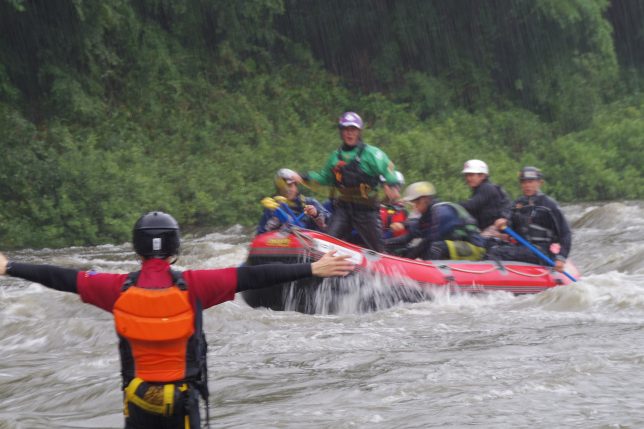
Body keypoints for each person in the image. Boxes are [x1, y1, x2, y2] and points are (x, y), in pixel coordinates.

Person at [0, 211, 354, 429]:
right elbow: (255, 277)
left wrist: (10, 266)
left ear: (137, 249)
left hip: (138, 402)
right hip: (182, 405)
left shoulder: (114, 288)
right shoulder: (197, 285)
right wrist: (313, 267)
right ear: (175, 249)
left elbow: (59, 277)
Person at [291, 112, 399, 252]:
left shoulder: (371, 153)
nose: (349, 133)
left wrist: (391, 184)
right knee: (328, 242)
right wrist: (302, 176)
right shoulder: (335, 157)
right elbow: (324, 178)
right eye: (346, 129)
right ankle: (322, 270)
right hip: (343, 209)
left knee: (378, 249)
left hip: (366, 210)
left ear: (359, 132)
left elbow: (388, 167)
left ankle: (387, 267)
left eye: (353, 130)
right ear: (341, 132)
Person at [487, 166, 572, 272]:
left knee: (497, 253)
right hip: (521, 248)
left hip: (541, 252)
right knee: (490, 244)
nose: (527, 185)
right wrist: (502, 225)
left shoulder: (549, 205)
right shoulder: (518, 204)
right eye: (524, 182)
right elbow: (509, 227)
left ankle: (500, 277)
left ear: (540, 183)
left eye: (531, 182)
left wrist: (561, 258)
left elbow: (565, 233)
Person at [385, 181, 486, 260]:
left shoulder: (442, 212)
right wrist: (382, 244)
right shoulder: (427, 215)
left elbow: (428, 242)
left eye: (414, 203)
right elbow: (409, 236)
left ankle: (432, 280)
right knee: (409, 249)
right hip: (454, 246)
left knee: (434, 247)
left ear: (424, 200)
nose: (413, 208)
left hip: (474, 247)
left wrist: (407, 260)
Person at [257, 168, 330, 234]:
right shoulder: (273, 207)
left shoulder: (310, 202)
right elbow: (261, 234)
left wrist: (316, 214)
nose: (287, 190)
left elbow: (330, 221)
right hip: (284, 244)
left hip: (311, 244)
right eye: (283, 187)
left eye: (290, 185)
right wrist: (273, 221)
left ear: (296, 186)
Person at [459, 159, 511, 240]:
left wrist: (451, 206)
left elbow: (471, 206)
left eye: (471, 175)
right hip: (486, 230)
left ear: (482, 176)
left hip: (495, 231)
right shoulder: (480, 190)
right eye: (467, 175)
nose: (468, 178)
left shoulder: (487, 188)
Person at [380, 171, 408, 240]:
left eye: (397, 187)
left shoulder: (400, 211)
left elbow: (401, 235)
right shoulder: (379, 205)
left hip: (389, 246)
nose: (385, 188)